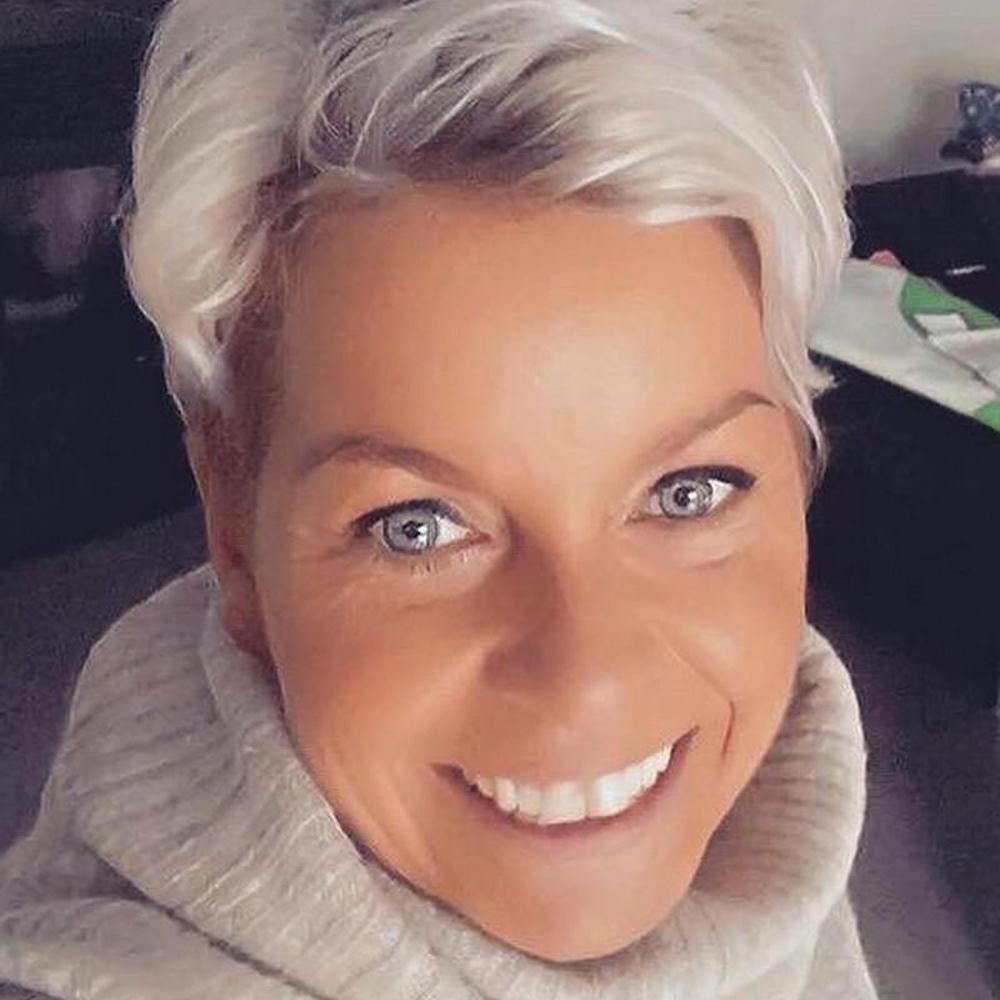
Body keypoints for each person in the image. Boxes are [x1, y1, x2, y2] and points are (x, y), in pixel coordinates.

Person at [0, 0, 878, 996]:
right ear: (234, 534)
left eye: (688, 492)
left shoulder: (782, 816)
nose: (585, 676)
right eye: (416, 527)